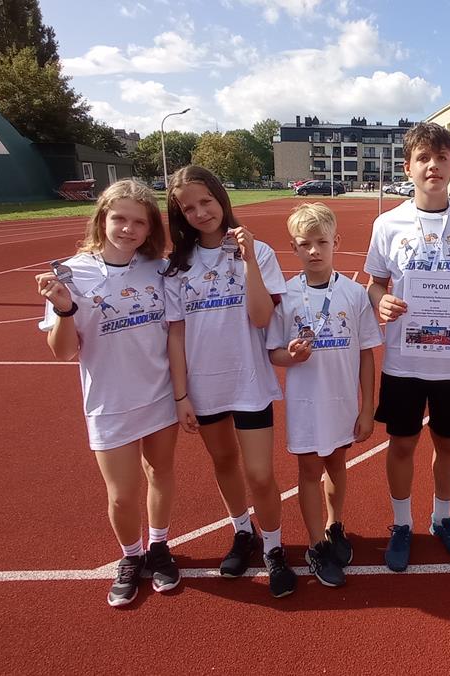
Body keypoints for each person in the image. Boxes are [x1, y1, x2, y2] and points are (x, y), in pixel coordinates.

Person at [34, 179, 179, 607]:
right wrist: (64, 309)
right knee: (121, 493)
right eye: (120, 218)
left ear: (150, 227)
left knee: (161, 474)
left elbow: (174, 333)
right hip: (109, 401)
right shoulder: (70, 273)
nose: (129, 229)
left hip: (160, 393)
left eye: (139, 221)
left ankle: (158, 545)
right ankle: (131, 557)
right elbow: (63, 352)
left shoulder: (159, 268)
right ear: (102, 218)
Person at [365, 122, 450, 572]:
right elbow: (375, 284)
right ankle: (402, 524)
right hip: (404, 360)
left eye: (441, 158)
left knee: (449, 443)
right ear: (409, 167)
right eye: (423, 158)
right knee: (402, 444)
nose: (432, 166)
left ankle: (442, 517)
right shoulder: (387, 224)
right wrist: (381, 302)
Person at [163, 165, 297, 598]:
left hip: (250, 381)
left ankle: (274, 547)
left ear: (221, 199)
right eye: (189, 207)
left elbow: (261, 317)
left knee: (260, 473)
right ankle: (243, 532)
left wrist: (250, 259)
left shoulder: (257, 252)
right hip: (204, 387)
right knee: (224, 464)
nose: (201, 212)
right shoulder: (176, 267)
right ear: (179, 215)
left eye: (206, 201)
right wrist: (181, 394)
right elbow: (177, 334)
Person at [267, 202, 381, 588]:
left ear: (336, 242)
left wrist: (368, 409)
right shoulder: (286, 296)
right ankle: (315, 545)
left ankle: (335, 525)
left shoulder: (354, 294)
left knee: (336, 465)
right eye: (305, 244)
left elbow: (367, 355)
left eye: (321, 242)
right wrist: (290, 355)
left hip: (342, 403)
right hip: (305, 404)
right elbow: (274, 352)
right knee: (309, 471)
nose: (314, 250)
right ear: (294, 248)